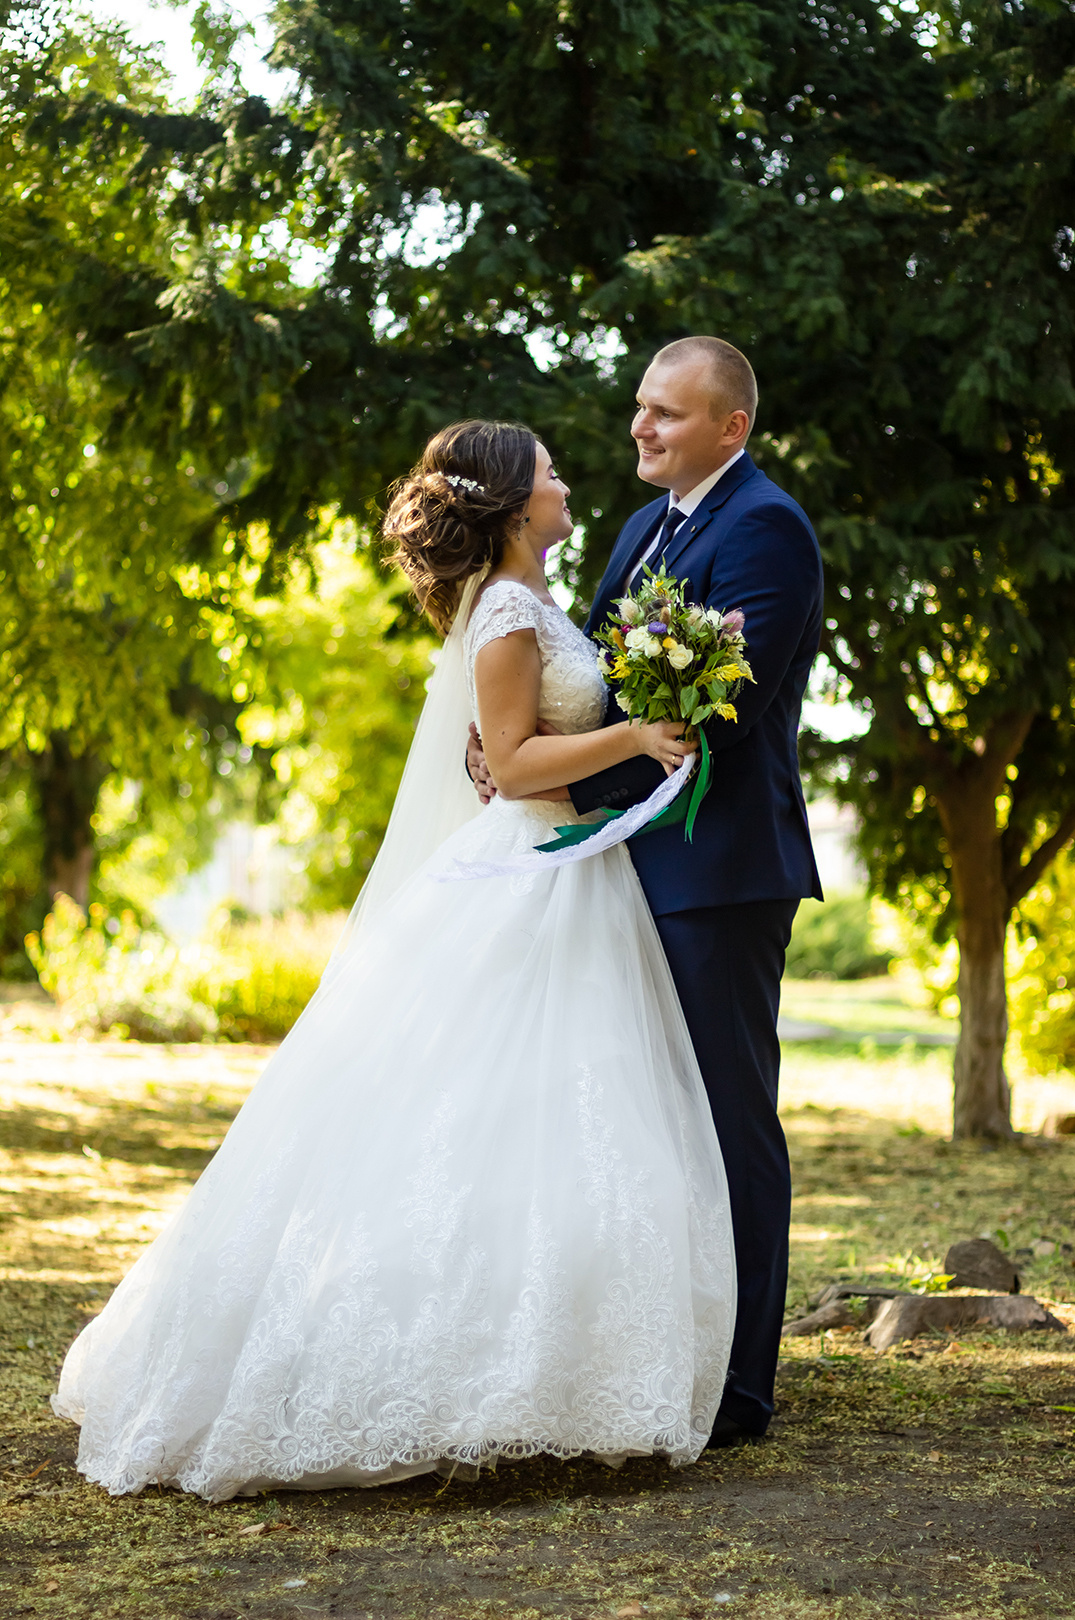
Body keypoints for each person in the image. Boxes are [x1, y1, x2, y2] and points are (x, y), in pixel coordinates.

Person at [52, 418, 736, 1502]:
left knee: (549, 1119)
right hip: (531, 861)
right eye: (551, 475)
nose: (567, 484)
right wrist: (637, 735)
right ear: (517, 509)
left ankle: (543, 1376)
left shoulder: (532, 604)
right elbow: (510, 766)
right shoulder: (510, 610)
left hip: (569, 869)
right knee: (486, 1113)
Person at [470, 338, 823, 1446]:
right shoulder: (638, 531)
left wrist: (553, 771)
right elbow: (602, 693)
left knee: (725, 1122)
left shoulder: (765, 528)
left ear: (732, 428)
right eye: (639, 409)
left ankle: (740, 1387)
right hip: (627, 860)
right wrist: (515, 756)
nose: (640, 428)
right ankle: (665, 1352)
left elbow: (720, 715)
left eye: (667, 414)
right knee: (646, 1125)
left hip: (715, 873)